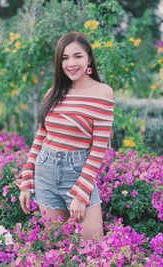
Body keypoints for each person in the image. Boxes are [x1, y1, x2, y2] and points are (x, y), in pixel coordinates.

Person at [16, 31, 115, 241]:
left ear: (89, 58)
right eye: (65, 58)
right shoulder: (53, 92)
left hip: (77, 171)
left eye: (77, 56)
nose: (71, 63)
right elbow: (41, 137)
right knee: (58, 247)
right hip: (45, 171)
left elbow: (99, 148)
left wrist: (81, 193)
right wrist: (26, 179)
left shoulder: (102, 92)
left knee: (94, 247)